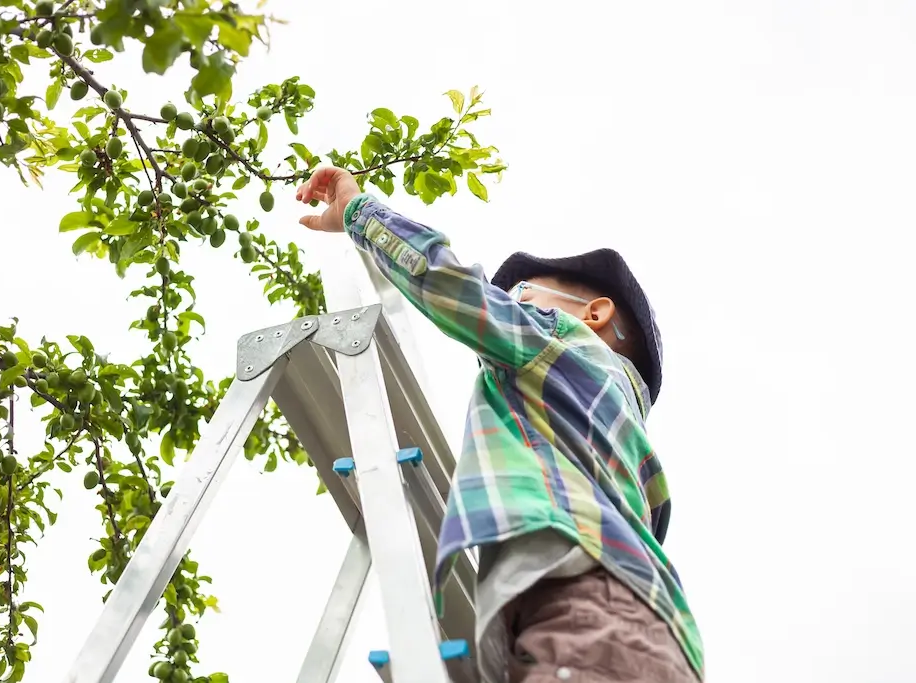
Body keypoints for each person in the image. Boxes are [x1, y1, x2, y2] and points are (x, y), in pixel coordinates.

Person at [296, 167, 704, 683]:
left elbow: (453, 288)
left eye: (524, 293)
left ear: (595, 313)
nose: (512, 305)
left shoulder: (559, 342)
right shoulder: (626, 445)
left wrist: (358, 210)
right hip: (640, 630)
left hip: (590, 619)